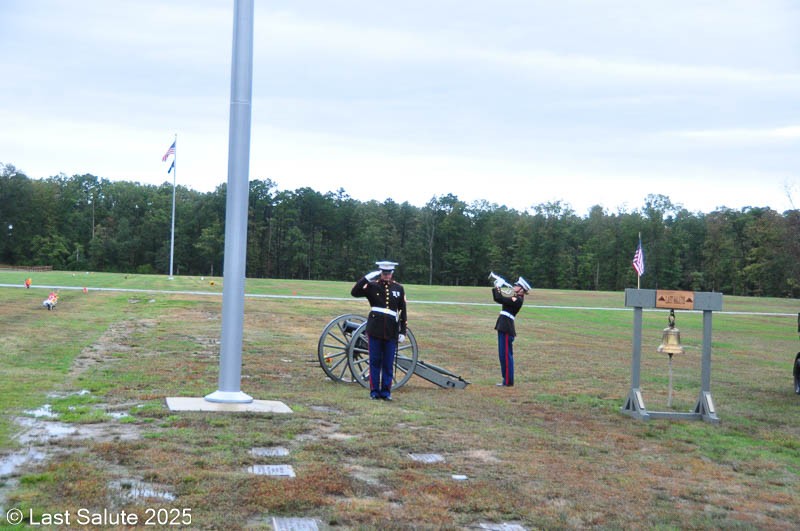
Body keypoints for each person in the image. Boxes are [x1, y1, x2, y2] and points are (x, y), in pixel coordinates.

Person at [351, 260, 408, 401]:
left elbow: (402, 311)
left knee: (388, 364)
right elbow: (354, 292)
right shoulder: (372, 286)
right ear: (380, 273)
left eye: (388, 273)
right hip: (375, 329)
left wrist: (402, 331)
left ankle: (386, 392)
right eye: (384, 273)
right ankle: (374, 392)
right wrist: (366, 278)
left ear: (392, 273)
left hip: (391, 330)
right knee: (375, 362)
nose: (386, 275)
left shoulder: (398, 288)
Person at [492, 275, 532, 387]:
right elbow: (499, 298)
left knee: (505, 356)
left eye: (517, 285)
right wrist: (497, 287)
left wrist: (498, 287)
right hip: (503, 326)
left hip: (506, 327)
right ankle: (506, 380)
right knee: (502, 355)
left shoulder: (517, 299)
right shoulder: (515, 297)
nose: (514, 286)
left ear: (522, 289)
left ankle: (508, 381)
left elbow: (500, 298)